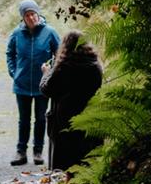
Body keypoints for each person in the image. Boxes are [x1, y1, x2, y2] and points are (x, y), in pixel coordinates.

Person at [6, 0, 60, 166]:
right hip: (21, 84)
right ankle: (20, 152)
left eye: (33, 14)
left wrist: (51, 73)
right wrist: (14, 73)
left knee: (41, 119)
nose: (31, 18)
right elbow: (10, 54)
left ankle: (38, 152)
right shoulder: (16, 33)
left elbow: (59, 55)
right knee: (24, 120)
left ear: (38, 13)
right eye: (27, 15)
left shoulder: (50, 32)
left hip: (42, 84)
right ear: (23, 17)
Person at [39, 31, 103, 170]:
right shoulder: (96, 65)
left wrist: (46, 73)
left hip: (65, 120)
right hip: (89, 116)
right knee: (84, 159)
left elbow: (46, 89)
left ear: (65, 46)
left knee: (68, 161)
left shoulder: (63, 67)